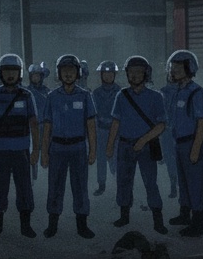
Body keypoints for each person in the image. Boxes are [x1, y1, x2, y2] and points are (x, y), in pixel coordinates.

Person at [107, 55, 168, 234]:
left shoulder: (156, 97)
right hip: (125, 145)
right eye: (131, 72)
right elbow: (115, 123)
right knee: (123, 182)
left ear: (146, 74)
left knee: (151, 183)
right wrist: (110, 145)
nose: (134, 76)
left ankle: (158, 220)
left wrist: (143, 140)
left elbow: (162, 125)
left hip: (147, 146)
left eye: (138, 72)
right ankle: (124, 216)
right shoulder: (122, 95)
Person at [0, 53, 39, 238]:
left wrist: (36, 150)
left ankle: (26, 226)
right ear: (1, 73)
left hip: (21, 150)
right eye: (7, 71)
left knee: (24, 189)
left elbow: (34, 124)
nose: (10, 75)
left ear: (20, 73)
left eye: (14, 71)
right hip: (0, 151)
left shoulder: (27, 96)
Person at [40, 54, 97, 238]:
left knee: (80, 187)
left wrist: (93, 150)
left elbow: (90, 126)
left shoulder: (85, 96)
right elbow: (47, 127)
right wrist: (44, 152)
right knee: (55, 186)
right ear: (58, 74)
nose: (68, 74)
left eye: (71, 71)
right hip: (56, 148)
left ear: (78, 73)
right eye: (64, 71)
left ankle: (82, 225)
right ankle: (52, 224)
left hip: (78, 147)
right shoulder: (52, 97)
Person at [162, 50, 203, 237]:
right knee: (183, 182)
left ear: (189, 69)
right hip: (179, 143)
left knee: (195, 184)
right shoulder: (177, 92)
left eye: (178, 68)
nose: (173, 71)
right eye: (172, 68)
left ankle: (197, 224)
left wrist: (196, 148)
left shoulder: (196, 93)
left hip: (192, 142)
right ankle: (184, 214)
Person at [91, 60, 121, 196]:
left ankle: (119, 184)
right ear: (101, 75)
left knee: (116, 158)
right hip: (101, 130)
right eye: (105, 74)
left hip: (117, 130)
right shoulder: (96, 93)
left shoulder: (120, 92)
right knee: (101, 159)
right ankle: (101, 184)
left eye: (110, 74)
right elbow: (93, 114)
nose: (108, 76)